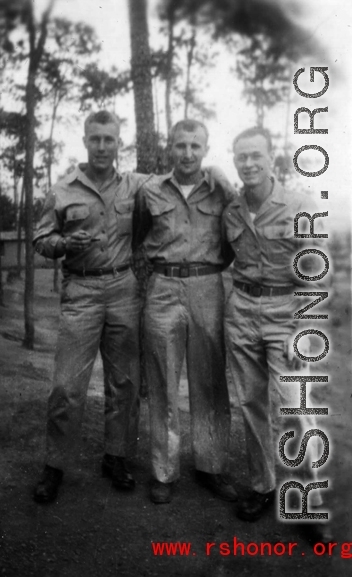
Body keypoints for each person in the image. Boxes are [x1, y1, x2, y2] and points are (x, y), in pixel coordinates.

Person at [33, 110, 148, 503]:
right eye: (95, 138)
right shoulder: (63, 189)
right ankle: (55, 465)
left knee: (125, 383)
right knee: (67, 385)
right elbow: (40, 238)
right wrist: (64, 245)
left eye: (109, 139)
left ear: (119, 144)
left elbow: (173, 193)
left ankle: (116, 457)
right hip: (81, 291)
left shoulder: (137, 186)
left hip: (125, 288)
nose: (102, 146)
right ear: (85, 141)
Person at [223, 126, 330, 531]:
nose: (248, 164)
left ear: (272, 159)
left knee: (295, 407)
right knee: (250, 404)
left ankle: (310, 499)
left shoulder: (299, 205)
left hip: (287, 311)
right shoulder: (231, 211)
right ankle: (262, 485)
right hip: (242, 310)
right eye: (241, 157)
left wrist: (301, 329)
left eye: (256, 156)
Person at [134, 119, 238, 504]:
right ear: (170, 148)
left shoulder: (221, 191)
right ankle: (164, 471)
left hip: (208, 287)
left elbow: (232, 240)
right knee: (163, 381)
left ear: (206, 149)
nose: (188, 153)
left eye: (196, 146)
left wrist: (208, 270)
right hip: (162, 288)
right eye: (181, 145)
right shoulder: (150, 191)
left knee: (209, 380)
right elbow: (137, 235)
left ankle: (211, 466)